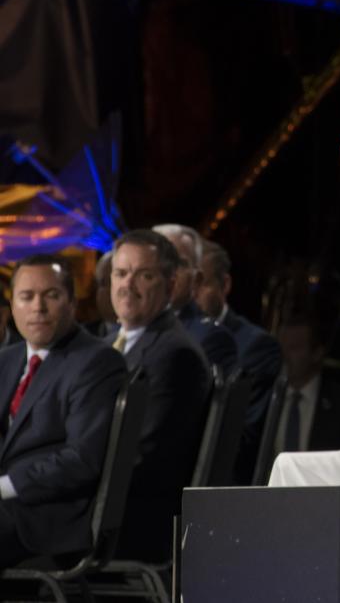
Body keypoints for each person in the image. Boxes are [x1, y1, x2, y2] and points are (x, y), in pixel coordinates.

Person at [0, 254, 126, 567]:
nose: (37, 308)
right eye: (26, 297)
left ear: (72, 302)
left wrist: (3, 486)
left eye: (51, 296)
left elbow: (82, 460)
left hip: (48, 517)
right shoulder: (5, 360)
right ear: (11, 306)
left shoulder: (97, 362)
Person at [107, 229, 211, 561]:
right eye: (121, 273)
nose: (128, 284)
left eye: (144, 275)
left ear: (170, 284)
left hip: (130, 519)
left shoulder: (174, 354)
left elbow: (147, 456)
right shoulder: (106, 345)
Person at [194, 239, 283, 482]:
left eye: (201, 282)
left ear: (225, 285)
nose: (193, 292)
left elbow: (239, 440)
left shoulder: (255, 346)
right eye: (189, 280)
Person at [271, 320, 340, 457]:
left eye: (294, 348)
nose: (284, 356)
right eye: (280, 348)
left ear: (317, 353)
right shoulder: (264, 398)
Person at [152, 224, 236, 376]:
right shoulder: (119, 333)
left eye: (179, 264)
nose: (168, 272)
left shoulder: (210, 338)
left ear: (197, 279)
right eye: (158, 262)